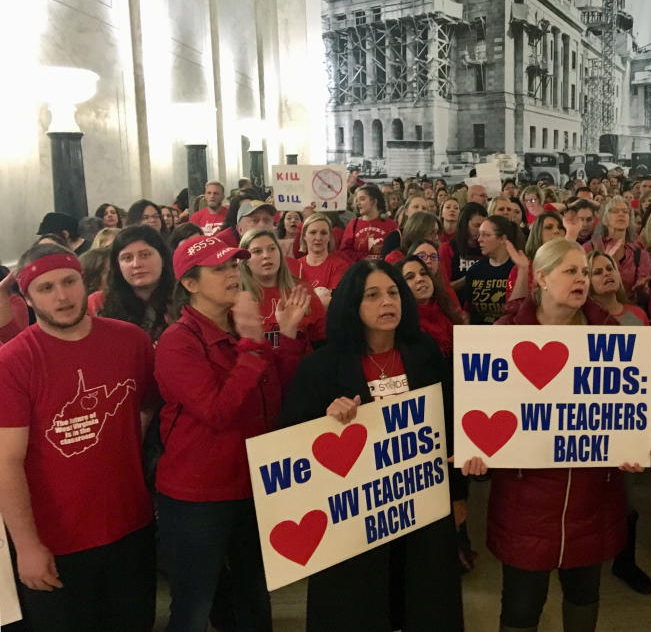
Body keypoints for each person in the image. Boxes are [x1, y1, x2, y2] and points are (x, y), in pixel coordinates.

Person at [463, 238, 647, 632]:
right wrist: (478, 458)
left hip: (592, 500)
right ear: (542, 278)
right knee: (520, 608)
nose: (582, 279)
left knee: (583, 599)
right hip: (525, 504)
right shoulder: (504, 334)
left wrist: (632, 443)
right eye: (571, 271)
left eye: (585, 271)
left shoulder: (612, 336)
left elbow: (625, 409)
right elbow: (487, 411)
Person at [280, 260, 465, 631]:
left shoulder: (425, 351)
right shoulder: (322, 367)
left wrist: (458, 494)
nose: (387, 302)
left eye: (393, 293)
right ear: (352, 304)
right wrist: (325, 422)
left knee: (420, 601)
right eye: (373, 295)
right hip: (354, 522)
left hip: (421, 511)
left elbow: (448, 422)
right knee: (359, 607)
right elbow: (291, 441)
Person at [0, 244, 157, 631]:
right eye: (46, 288)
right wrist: (28, 547)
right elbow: (7, 460)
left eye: (69, 282)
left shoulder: (131, 341)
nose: (62, 296)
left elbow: (148, 408)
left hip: (130, 527)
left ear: (83, 282)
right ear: (28, 299)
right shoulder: (14, 361)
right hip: (57, 541)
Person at [154, 235, 307, 632]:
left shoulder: (243, 330)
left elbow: (278, 393)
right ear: (189, 284)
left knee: (253, 592)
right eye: (218, 268)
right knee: (194, 603)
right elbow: (218, 411)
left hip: (251, 483)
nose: (232, 274)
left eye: (233, 266)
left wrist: (285, 337)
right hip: (198, 496)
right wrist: (254, 345)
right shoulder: (178, 342)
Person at [239, 228, 325, 349]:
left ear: (280, 253)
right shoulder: (237, 298)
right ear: (245, 261)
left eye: (272, 249)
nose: (266, 256)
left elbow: (322, 339)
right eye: (257, 251)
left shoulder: (302, 291)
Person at [396, 255, 463, 357]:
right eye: (410, 277)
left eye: (424, 273)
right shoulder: (401, 326)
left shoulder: (447, 311)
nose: (420, 279)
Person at [287, 213, 351, 304]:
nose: (318, 238)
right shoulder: (295, 267)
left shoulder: (340, 265)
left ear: (329, 237)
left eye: (323, 233)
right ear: (304, 236)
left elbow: (335, 303)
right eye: (313, 232)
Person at [464, 215, 516, 324]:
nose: (479, 240)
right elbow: (467, 311)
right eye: (479, 235)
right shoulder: (475, 271)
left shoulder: (517, 270)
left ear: (502, 239)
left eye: (486, 235)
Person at [339, 184, 398, 261]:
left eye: (362, 199)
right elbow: (344, 251)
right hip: (359, 269)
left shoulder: (391, 225)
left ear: (374, 201)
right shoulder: (353, 224)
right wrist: (364, 259)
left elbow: (395, 252)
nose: (358, 203)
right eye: (357, 200)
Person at [439, 202, 487, 293]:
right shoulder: (446, 248)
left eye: (484, 226)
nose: (481, 230)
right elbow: (443, 288)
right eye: (476, 225)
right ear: (464, 224)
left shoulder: (487, 247)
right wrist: (468, 278)